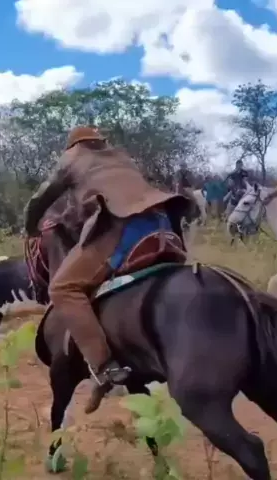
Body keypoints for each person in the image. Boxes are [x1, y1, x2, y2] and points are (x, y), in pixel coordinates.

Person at [24, 126, 191, 411]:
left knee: (63, 288)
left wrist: (30, 227)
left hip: (124, 229)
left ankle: (104, 367)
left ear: (73, 145)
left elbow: (41, 199)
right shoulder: (120, 156)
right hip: (163, 226)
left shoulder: (72, 158)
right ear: (100, 141)